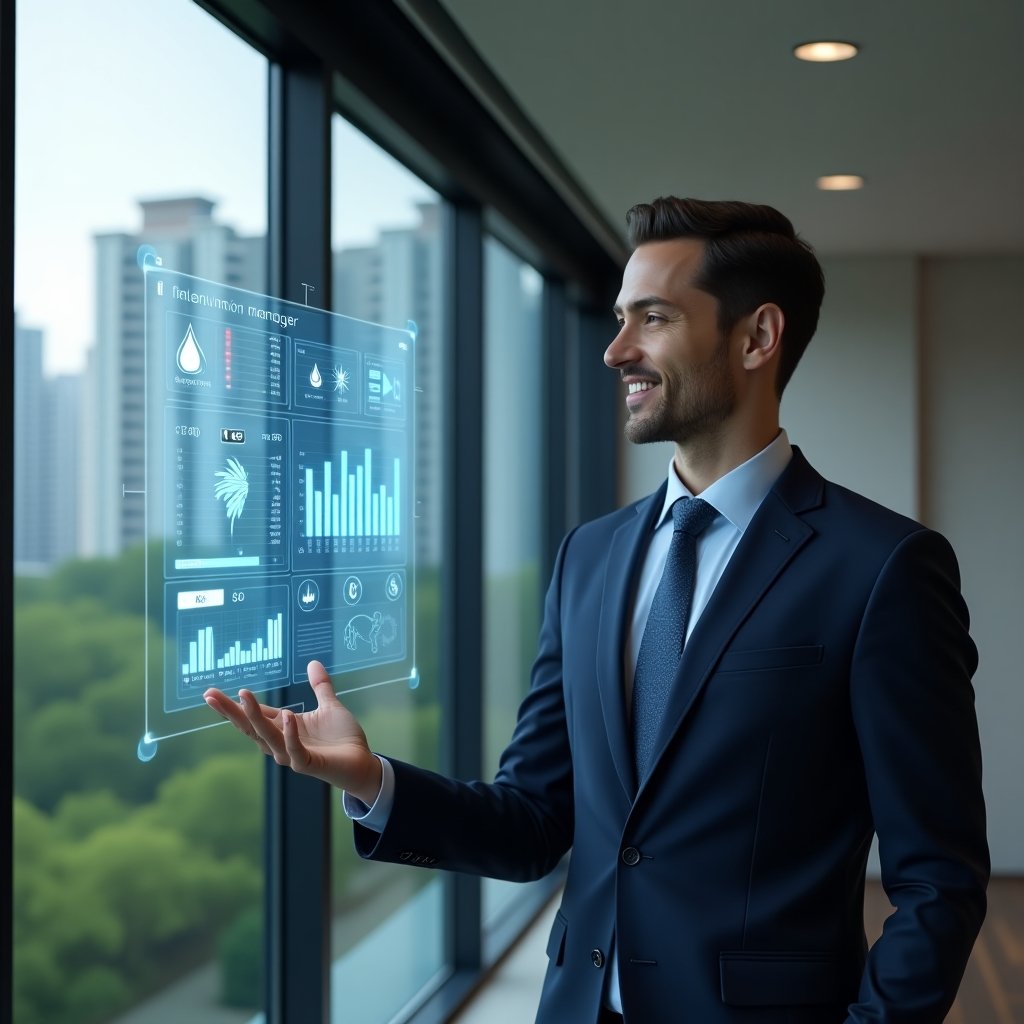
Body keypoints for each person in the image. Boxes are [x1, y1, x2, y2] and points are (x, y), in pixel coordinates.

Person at [205, 197, 989, 1024]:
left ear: (758, 337)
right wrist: (371, 779)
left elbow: (939, 880)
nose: (617, 351)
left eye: (654, 318)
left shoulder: (882, 568)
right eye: (619, 319)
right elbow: (535, 820)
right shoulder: (590, 556)